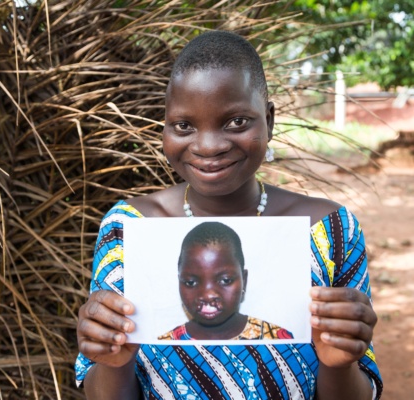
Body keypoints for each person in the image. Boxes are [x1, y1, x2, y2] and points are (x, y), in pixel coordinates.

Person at [75, 30, 382, 399]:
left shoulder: (330, 229)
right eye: (184, 126)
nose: (208, 146)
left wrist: (340, 362)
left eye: (236, 122)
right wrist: (113, 360)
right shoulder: (128, 230)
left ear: (268, 119)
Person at [157, 221, 294, 341]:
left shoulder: (279, 338)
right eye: (191, 283)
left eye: (225, 280)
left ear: (244, 281)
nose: (208, 295)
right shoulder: (159, 348)